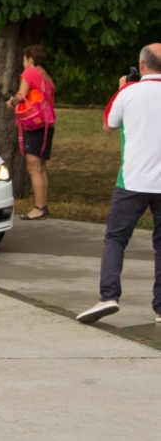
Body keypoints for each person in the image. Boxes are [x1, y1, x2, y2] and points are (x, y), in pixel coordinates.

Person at [76, 44, 161, 325]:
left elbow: (108, 125)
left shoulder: (128, 93)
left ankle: (109, 296)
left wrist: (122, 88)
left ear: (142, 65)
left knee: (116, 239)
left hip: (132, 180)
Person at [6, 44, 56, 221]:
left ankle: (38, 208)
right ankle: (43, 205)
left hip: (35, 125)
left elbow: (21, 95)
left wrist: (11, 102)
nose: (23, 63)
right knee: (41, 168)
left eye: (24, 59)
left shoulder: (30, 73)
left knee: (33, 167)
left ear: (31, 59)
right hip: (47, 123)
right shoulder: (46, 76)